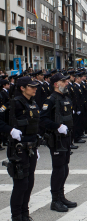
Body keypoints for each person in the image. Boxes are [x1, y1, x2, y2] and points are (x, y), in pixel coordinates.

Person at [2, 76, 41, 221]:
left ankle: (25, 213)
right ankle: (16, 216)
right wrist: (10, 130)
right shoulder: (13, 103)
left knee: (29, 182)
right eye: (32, 87)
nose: (35, 88)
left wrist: (36, 145)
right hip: (18, 149)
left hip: (30, 147)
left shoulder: (32, 102)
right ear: (22, 88)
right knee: (21, 183)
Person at [40, 73, 77, 212]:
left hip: (66, 137)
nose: (67, 83)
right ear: (56, 84)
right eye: (64, 81)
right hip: (56, 138)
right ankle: (55, 200)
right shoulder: (50, 100)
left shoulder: (65, 97)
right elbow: (42, 119)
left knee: (64, 167)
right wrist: (57, 127)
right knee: (58, 169)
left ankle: (61, 196)